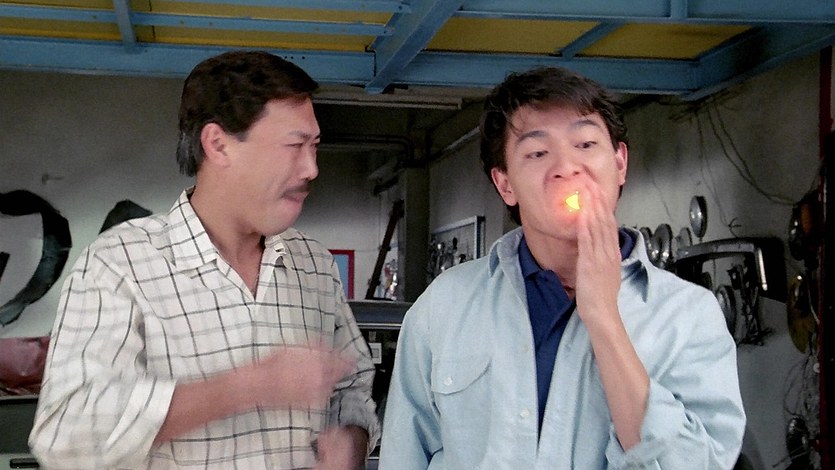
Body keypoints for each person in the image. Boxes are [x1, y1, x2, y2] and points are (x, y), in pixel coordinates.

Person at [378, 67, 745, 469]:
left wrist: (604, 319)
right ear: (505, 184)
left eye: (585, 144)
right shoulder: (445, 305)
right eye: (537, 153)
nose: (567, 167)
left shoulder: (689, 315)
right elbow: (404, 456)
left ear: (620, 163)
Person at [29, 51, 379, 470]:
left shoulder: (314, 265)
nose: (311, 168)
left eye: (314, 146)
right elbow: (65, 436)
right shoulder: (119, 265)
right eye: (294, 146)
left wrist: (351, 441)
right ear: (218, 144)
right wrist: (248, 386)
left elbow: (353, 387)